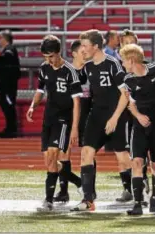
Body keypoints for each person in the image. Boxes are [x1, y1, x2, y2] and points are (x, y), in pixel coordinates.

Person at [71, 29, 131, 211]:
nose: (82, 49)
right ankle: (88, 200)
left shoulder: (112, 63)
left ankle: (134, 190)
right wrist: (80, 59)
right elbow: (74, 76)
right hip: (96, 115)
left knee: (122, 158)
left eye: (85, 46)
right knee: (86, 153)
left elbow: (125, 94)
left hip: (116, 115)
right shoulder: (88, 66)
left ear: (96, 46)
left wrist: (114, 118)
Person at [26, 35, 82, 211]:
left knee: (53, 156)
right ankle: (79, 182)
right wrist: (32, 106)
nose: (48, 60)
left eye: (51, 56)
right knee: (49, 162)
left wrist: (74, 128)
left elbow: (76, 102)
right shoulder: (44, 68)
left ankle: (48, 201)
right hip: (48, 118)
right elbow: (40, 90)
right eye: (45, 57)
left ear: (59, 53)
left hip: (63, 120)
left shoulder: (70, 72)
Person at [120, 44, 155, 215]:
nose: (122, 64)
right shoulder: (128, 80)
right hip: (139, 125)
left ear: (131, 60)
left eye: (123, 60)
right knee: (137, 162)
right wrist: (138, 116)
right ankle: (138, 203)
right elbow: (131, 104)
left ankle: (154, 198)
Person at [53, 39, 85, 203]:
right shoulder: (67, 70)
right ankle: (66, 189)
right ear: (74, 53)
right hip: (65, 117)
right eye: (82, 51)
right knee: (61, 156)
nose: (85, 54)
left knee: (64, 155)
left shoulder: (87, 70)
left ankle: (81, 186)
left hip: (79, 117)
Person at [0, 30, 21, 138]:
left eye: (0, 38)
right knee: (6, 104)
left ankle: (11, 129)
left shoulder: (9, 50)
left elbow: (4, 61)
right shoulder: (8, 50)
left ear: (5, 39)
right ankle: (10, 128)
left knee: (8, 105)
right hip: (6, 84)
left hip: (8, 85)